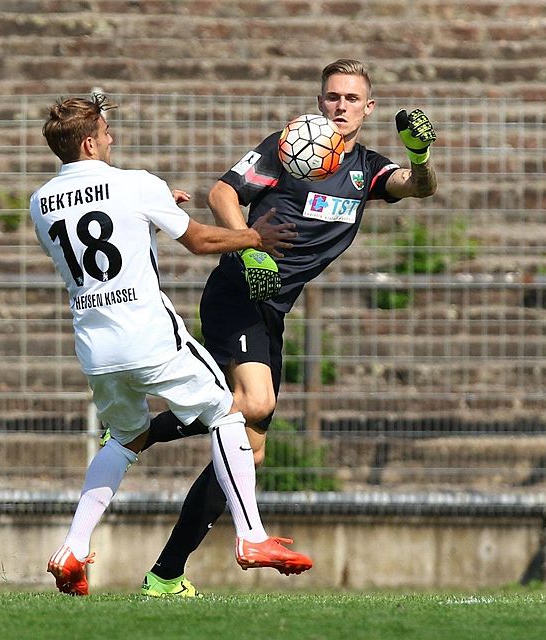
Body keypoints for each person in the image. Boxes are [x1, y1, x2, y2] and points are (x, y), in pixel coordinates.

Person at [138, 58, 438, 597]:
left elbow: (416, 187)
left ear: (368, 109)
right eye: (331, 97)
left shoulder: (365, 167)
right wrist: (249, 246)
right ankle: (138, 433)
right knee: (252, 405)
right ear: (319, 101)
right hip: (240, 291)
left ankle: (165, 575)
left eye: (351, 99)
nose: (339, 107)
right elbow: (222, 194)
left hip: (274, 310)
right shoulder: (287, 146)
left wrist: (419, 156)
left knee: (249, 453)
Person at [30, 94, 312, 596]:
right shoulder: (137, 184)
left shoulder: (40, 201)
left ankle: (72, 549)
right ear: (91, 141)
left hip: (96, 346)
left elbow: (104, 230)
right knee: (229, 414)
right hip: (150, 336)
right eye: (106, 131)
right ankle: (251, 537)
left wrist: (160, 205)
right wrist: (252, 237)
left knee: (124, 438)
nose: (112, 138)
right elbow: (202, 241)